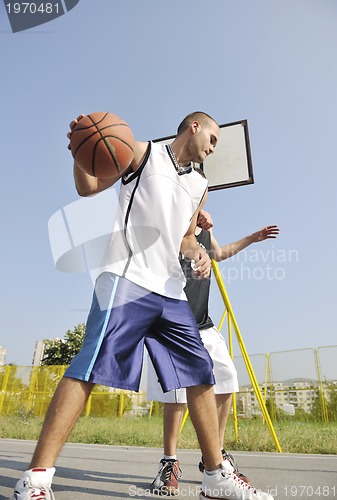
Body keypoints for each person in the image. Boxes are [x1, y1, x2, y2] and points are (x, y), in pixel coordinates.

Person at [13, 111, 273, 500]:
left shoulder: (201, 185)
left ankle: (216, 476)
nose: (215, 147)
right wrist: (79, 153)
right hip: (126, 278)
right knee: (88, 366)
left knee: (202, 373)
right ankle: (35, 478)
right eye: (214, 138)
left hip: (170, 290)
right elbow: (89, 188)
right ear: (194, 127)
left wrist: (197, 253)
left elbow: (185, 237)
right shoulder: (141, 151)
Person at [148, 210, 279, 495]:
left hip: (203, 324)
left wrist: (252, 239)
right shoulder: (170, 228)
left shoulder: (204, 232)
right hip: (172, 323)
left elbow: (220, 253)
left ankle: (214, 458)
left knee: (227, 378)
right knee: (177, 395)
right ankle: (168, 463)